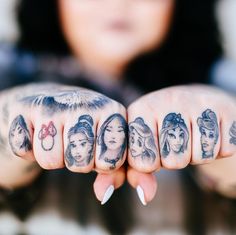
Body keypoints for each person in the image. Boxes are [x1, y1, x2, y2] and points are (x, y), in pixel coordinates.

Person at [0, 0, 235, 233]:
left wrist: (224, 132)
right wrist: (17, 118)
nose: (117, 3)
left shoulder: (226, 84)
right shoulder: (8, 72)